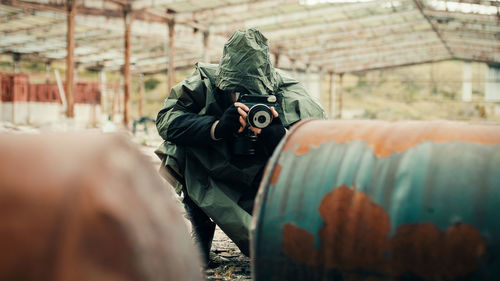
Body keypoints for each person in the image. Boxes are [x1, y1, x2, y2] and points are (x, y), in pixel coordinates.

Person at [155, 28, 326, 266]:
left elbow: (322, 152)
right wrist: (216, 126)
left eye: (253, 94)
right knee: (175, 147)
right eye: (237, 92)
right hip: (215, 170)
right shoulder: (205, 82)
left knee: (279, 252)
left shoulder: (292, 94)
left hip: (265, 182)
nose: (244, 99)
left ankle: (281, 236)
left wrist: (279, 136)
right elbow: (166, 121)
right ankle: (200, 239)